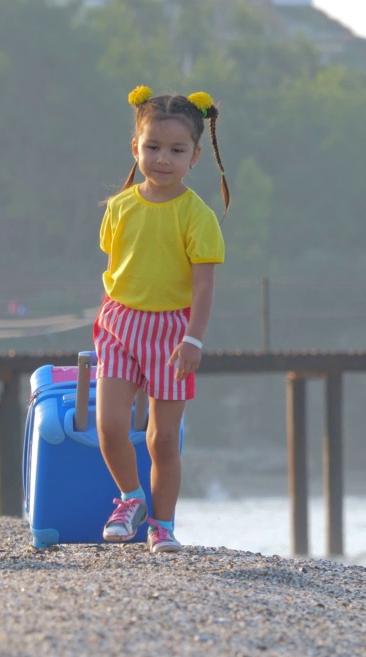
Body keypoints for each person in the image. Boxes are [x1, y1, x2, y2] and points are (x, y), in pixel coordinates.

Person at [95, 86, 229, 554]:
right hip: (119, 326)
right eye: (152, 147)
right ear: (136, 147)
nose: (162, 159)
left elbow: (204, 287)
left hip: (173, 333)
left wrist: (195, 338)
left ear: (195, 155)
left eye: (176, 150)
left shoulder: (198, 216)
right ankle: (130, 499)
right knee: (110, 426)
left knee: (162, 439)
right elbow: (117, 269)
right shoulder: (119, 208)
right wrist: (109, 317)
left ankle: (162, 525)